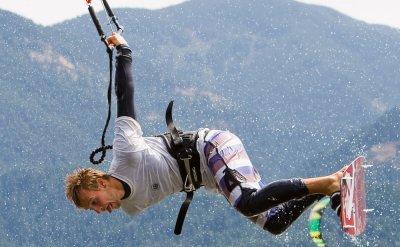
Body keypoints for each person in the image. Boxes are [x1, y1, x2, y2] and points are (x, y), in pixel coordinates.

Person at [65, 33, 343, 235]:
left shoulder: (126, 151)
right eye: (94, 210)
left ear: (100, 182)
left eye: (94, 203)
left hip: (210, 146)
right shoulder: (130, 207)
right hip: (210, 176)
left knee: (247, 204)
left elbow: (125, 96)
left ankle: (331, 184)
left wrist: (123, 52)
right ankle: (331, 184)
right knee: (274, 223)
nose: (100, 211)